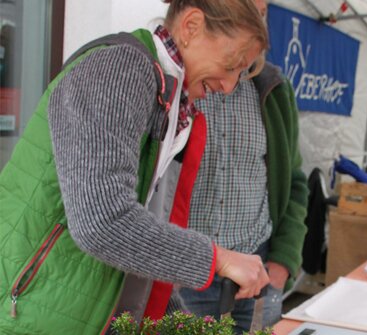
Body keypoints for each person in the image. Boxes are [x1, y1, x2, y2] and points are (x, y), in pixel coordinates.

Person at [0, 1, 271, 334]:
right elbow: (103, 221)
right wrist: (219, 259)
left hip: (66, 310)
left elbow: (136, 238)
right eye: (233, 64)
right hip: (27, 314)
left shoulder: (168, 97)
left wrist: (182, 323)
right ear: (191, 26)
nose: (230, 86)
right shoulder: (120, 67)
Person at [162, 0, 309, 332]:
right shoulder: (174, 84)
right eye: (247, 8)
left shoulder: (274, 90)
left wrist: (282, 262)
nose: (255, 19)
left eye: (261, 12)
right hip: (184, 276)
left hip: (255, 277)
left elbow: (296, 181)